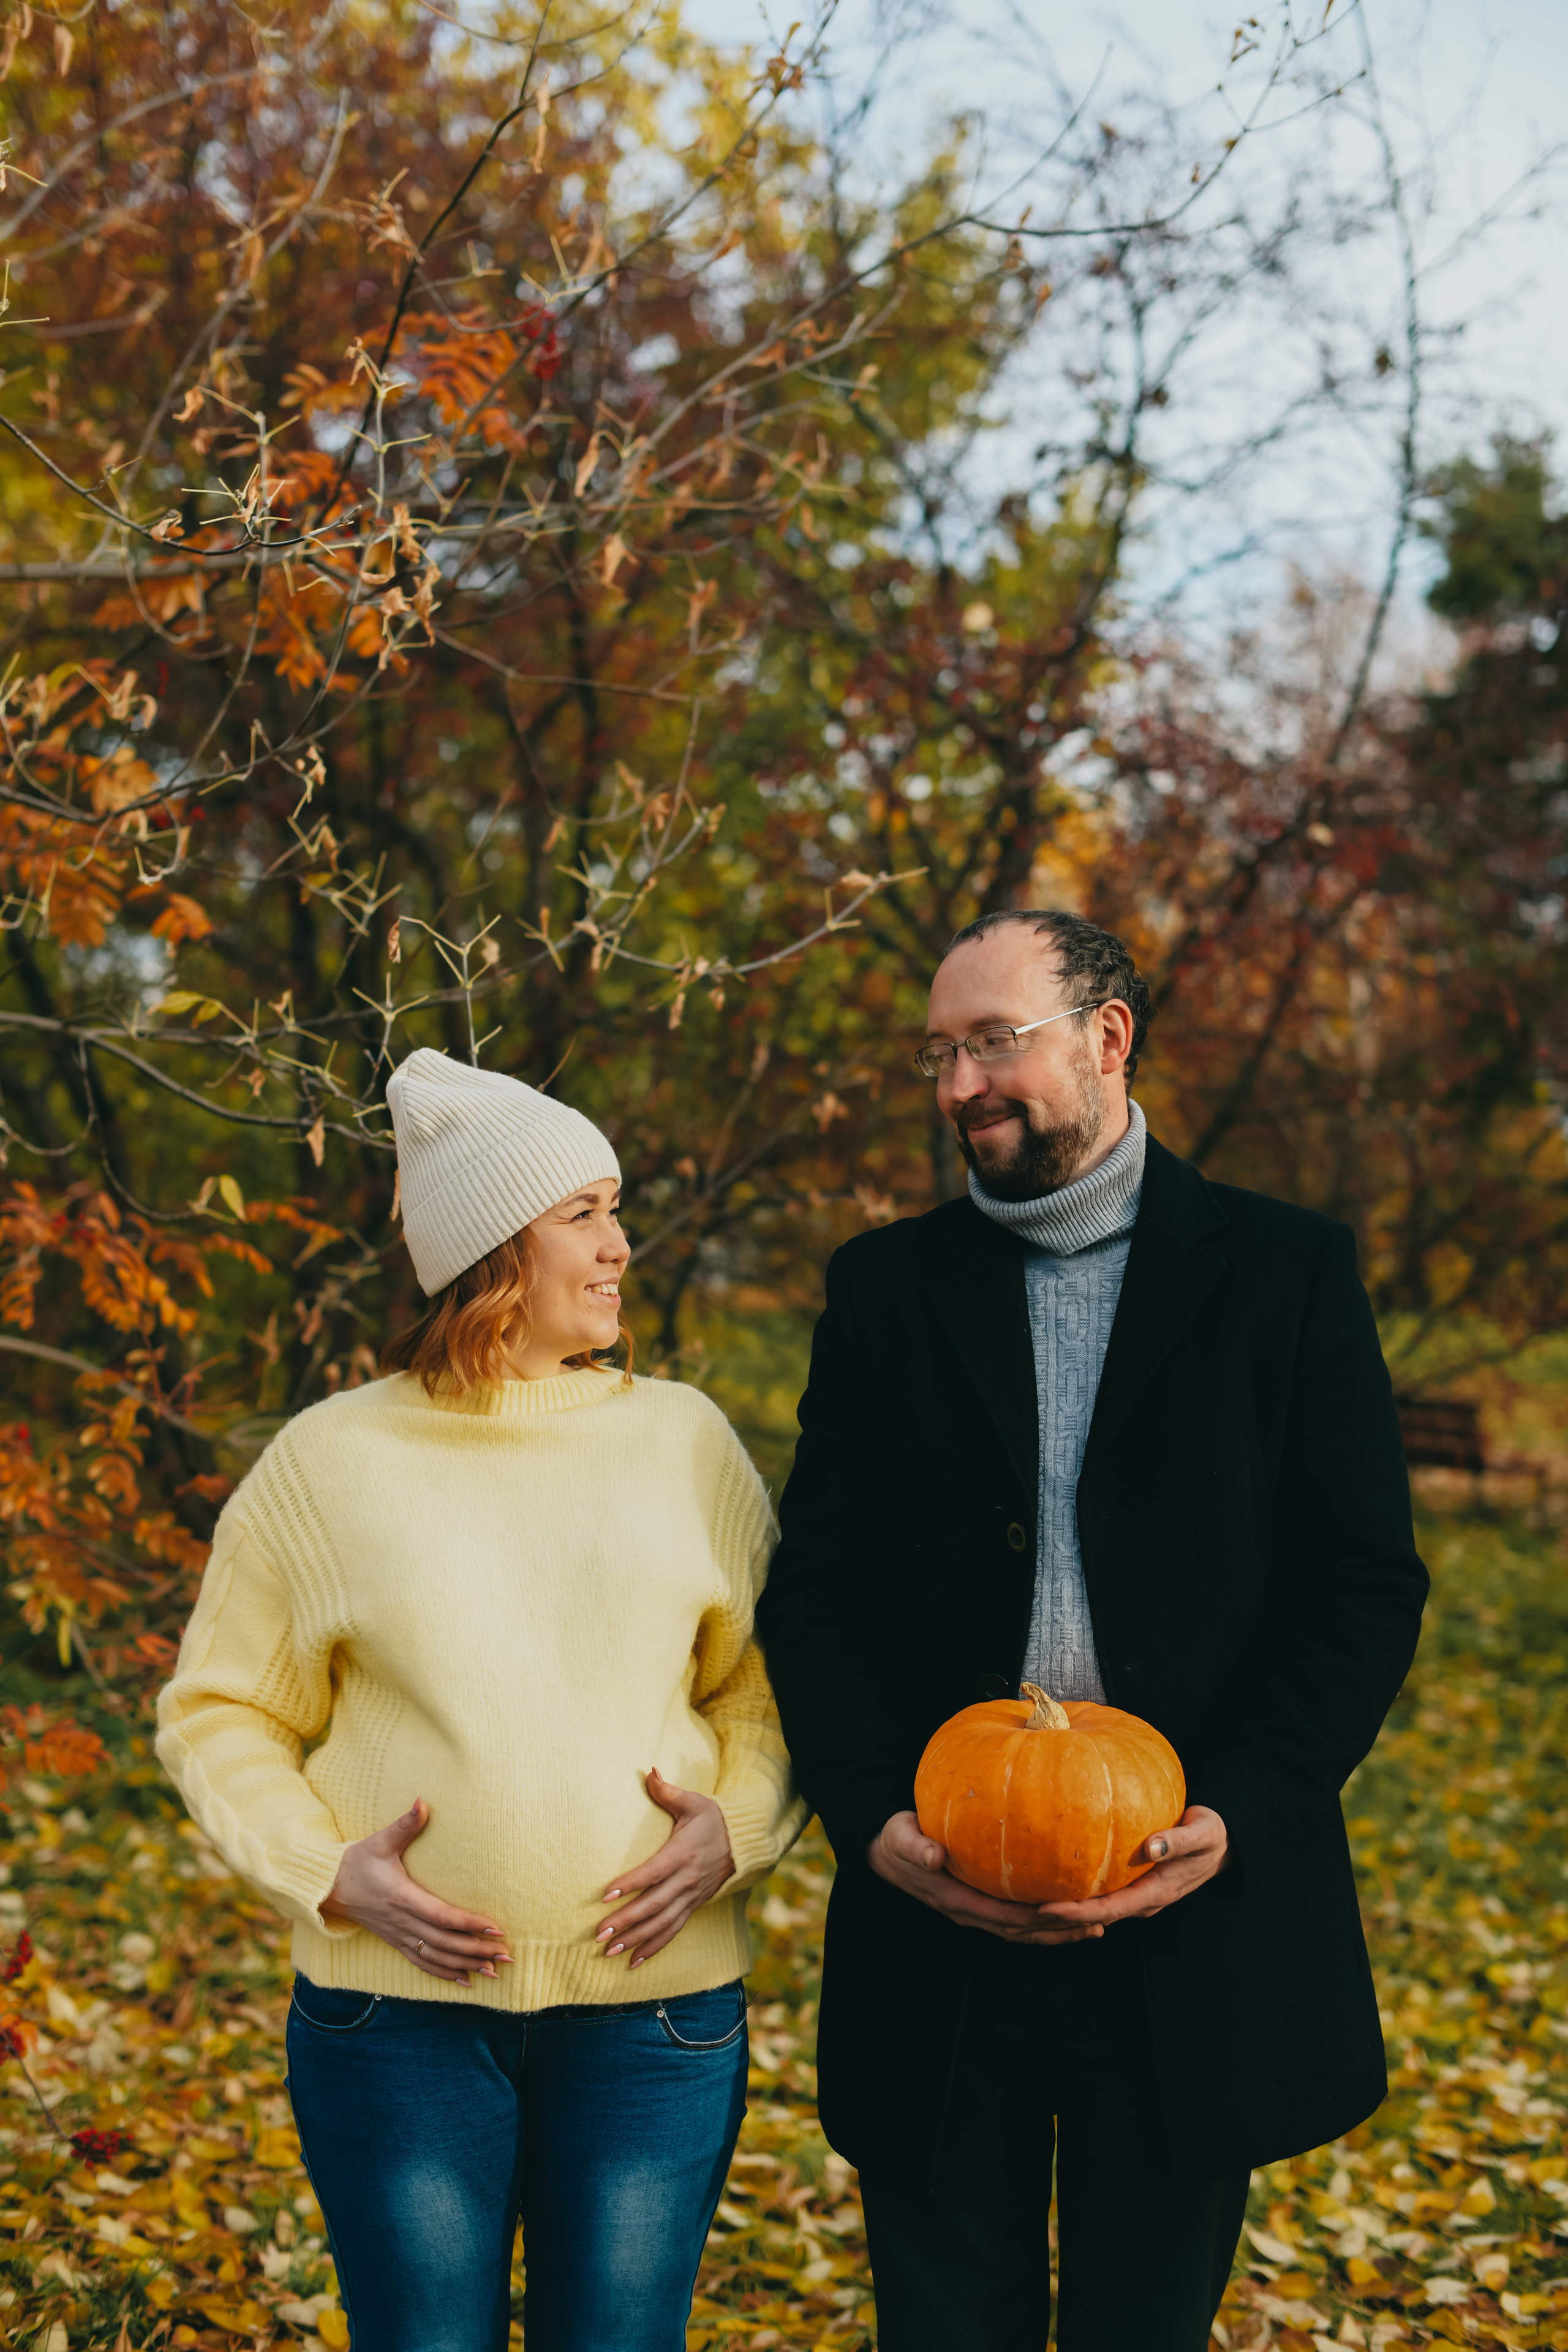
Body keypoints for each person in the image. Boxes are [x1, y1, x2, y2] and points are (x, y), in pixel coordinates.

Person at [755, 908, 1428, 2352]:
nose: (958, 1085)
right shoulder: (883, 1289)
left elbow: (1360, 1587)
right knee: (944, 2323)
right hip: (936, 1910)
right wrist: (870, 1816)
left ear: (1105, 1037)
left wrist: (1238, 1812)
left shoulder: (1282, 1271)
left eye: (991, 1042)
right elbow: (815, 1594)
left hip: (1187, 1917)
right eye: (939, 1053)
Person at [157, 1048, 805, 2352]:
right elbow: (219, 1712)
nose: (619, 1246)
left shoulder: (684, 1442)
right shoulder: (330, 1460)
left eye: (616, 1212)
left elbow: (764, 1694)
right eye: (584, 1215)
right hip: (395, 2024)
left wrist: (732, 1832)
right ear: (496, 1250)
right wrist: (325, 1872)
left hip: (651, 2019)